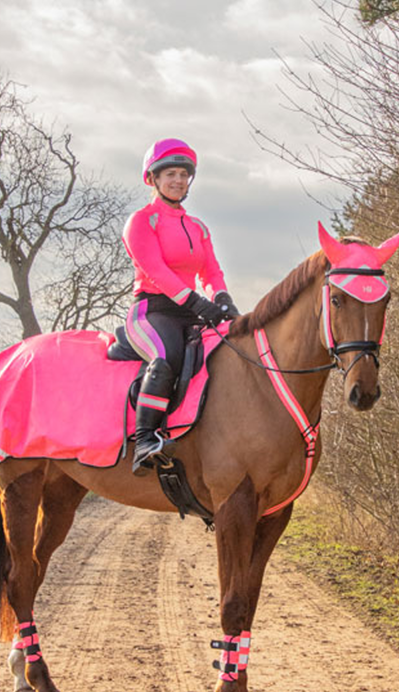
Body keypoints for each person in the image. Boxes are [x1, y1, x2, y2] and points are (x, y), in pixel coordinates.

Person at [121, 138, 239, 475]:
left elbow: (212, 270)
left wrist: (221, 297)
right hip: (152, 312)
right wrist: (197, 302)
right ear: (153, 179)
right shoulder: (142, 221)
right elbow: (156, 272)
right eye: (170, 173)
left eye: (184, 174)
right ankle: (144, 441)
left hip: (191, 311)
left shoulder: (197, 226)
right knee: (167, 357)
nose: (178, 180)